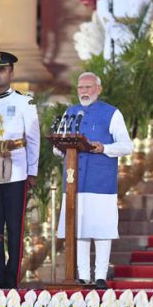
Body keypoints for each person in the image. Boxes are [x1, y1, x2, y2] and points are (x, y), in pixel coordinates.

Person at [56, 72, 133, 290]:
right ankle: (82, 275)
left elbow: (127, 146)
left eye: (89, 87)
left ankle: (100, 276)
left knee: (101, 229)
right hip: (74, 181)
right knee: (78, 228)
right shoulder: (70, 112)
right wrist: (60, 148)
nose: (84, 92)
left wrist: (105, 148)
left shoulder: (112, 113)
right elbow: (58, 145)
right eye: (81, 88)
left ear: (99, 89)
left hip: (101, 182)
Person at [0, 51, 40, 288]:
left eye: (2, 69)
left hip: (16, 168)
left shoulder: (24, 102)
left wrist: (32, 171)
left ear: (11, 72)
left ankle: (12, 280)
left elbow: (33, 139)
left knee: (14, 227)